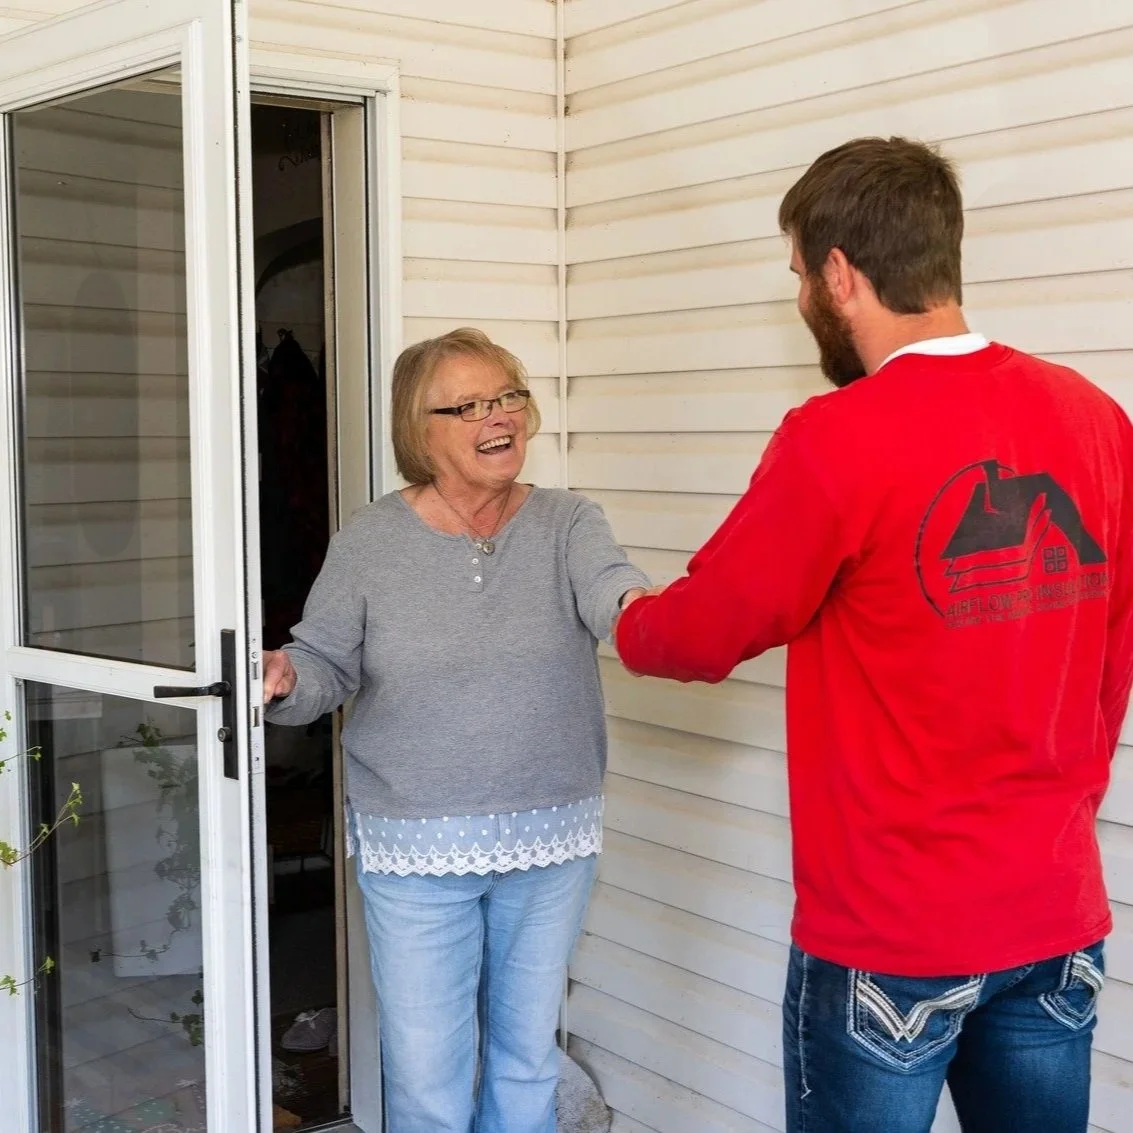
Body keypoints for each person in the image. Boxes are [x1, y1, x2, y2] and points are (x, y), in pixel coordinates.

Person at [613, 137, 1133, 1133]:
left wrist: (620, 614)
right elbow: (1113, 651)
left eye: (799, 274)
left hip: (892, 936)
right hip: (1052, 913)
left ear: (840, 273)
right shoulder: (1094, 420)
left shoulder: (838, 436)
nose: (801, 296)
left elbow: (701, 630)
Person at [263, 326, 648, 1133]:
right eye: (468, 405)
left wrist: (649, 614)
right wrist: (287, 677)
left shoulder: (567, 521)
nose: (497, 416)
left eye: (507, 396)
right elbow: (325, 661)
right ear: (421, 430)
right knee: (427, 1069)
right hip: (416, 841)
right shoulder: (370, 539)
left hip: (550, 833)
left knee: (524, 1055)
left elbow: (613, 591)